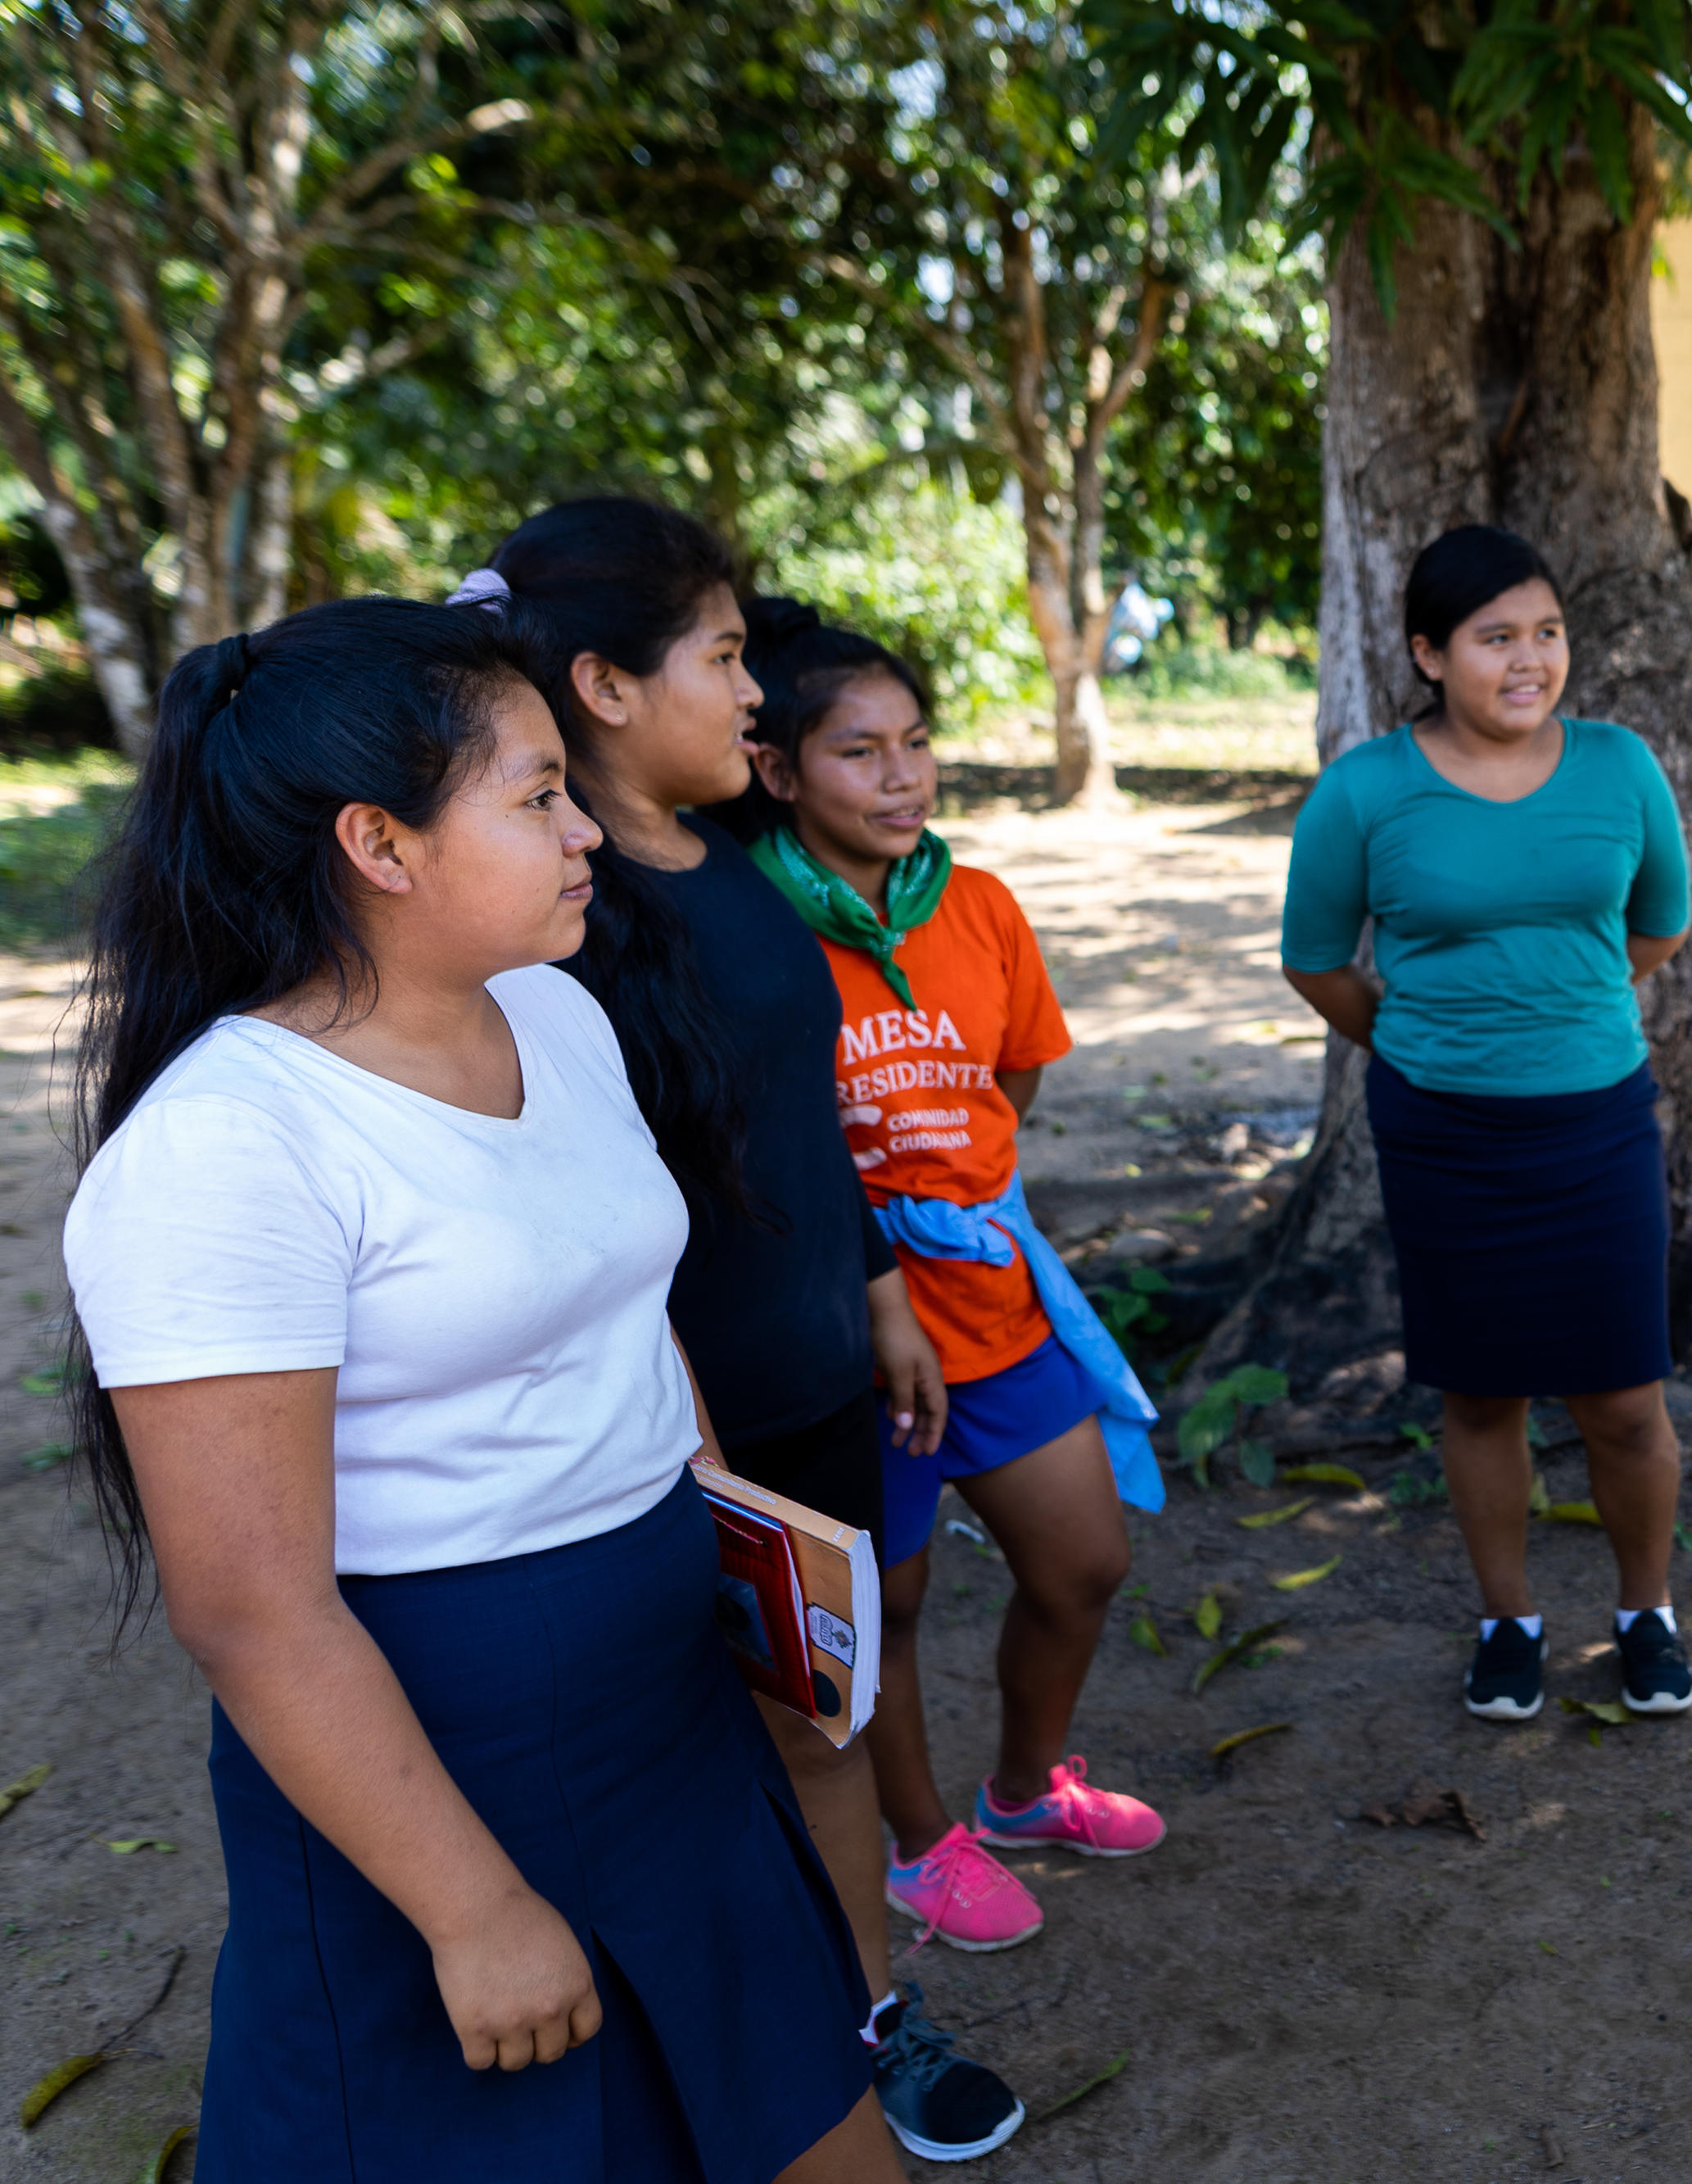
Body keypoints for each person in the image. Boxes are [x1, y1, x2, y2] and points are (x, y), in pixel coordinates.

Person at [61, 599, 884, 2178]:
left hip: (671, 1691)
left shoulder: (556, 1013)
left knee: (796, 2113)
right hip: (441, 1748)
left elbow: (631, 1315)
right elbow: (251, 1609)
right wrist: (472, 1903)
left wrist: (739, 1550)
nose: (587, 828)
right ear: (378, 841)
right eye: (536, 794)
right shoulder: (228, 1147)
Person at [477, 503, 1023, 2166]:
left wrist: (875, 1303)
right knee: (667, 1762)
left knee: (822, 1719)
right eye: (721, 660)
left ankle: (864, 2027)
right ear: (604, 685)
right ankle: (676, 2074)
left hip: (814, 1385)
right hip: (668, 1429)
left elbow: (800, 1131)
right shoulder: (562, 923)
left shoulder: (728, 867)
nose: (753, 702)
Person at [727, 597, 1168, 1968]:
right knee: (890, 1607)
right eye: (859, 751)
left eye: (915, 742)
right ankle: (923, 1847)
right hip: (858, 1339)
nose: (904, 774)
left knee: (1084, 1559)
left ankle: (1026, 1791)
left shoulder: (975, 904)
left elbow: (1010, 1078)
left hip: (993, 1304)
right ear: (780, 770)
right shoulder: (749, 927)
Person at [1277, 524, 1692, 1724]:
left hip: (1598, 1125)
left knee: (1624, 1395)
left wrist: (1558, 1009)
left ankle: (1646, 1610)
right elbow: (1317, 960)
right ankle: (1507, 1618)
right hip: (1443, 1136)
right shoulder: (1366, 789)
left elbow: (1657, 923)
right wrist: (1430, 1040)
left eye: (1548, 632)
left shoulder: (1621, 767)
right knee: (1480, 1395)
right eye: (1495, 636)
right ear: (1428, 652)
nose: (1530, 659)